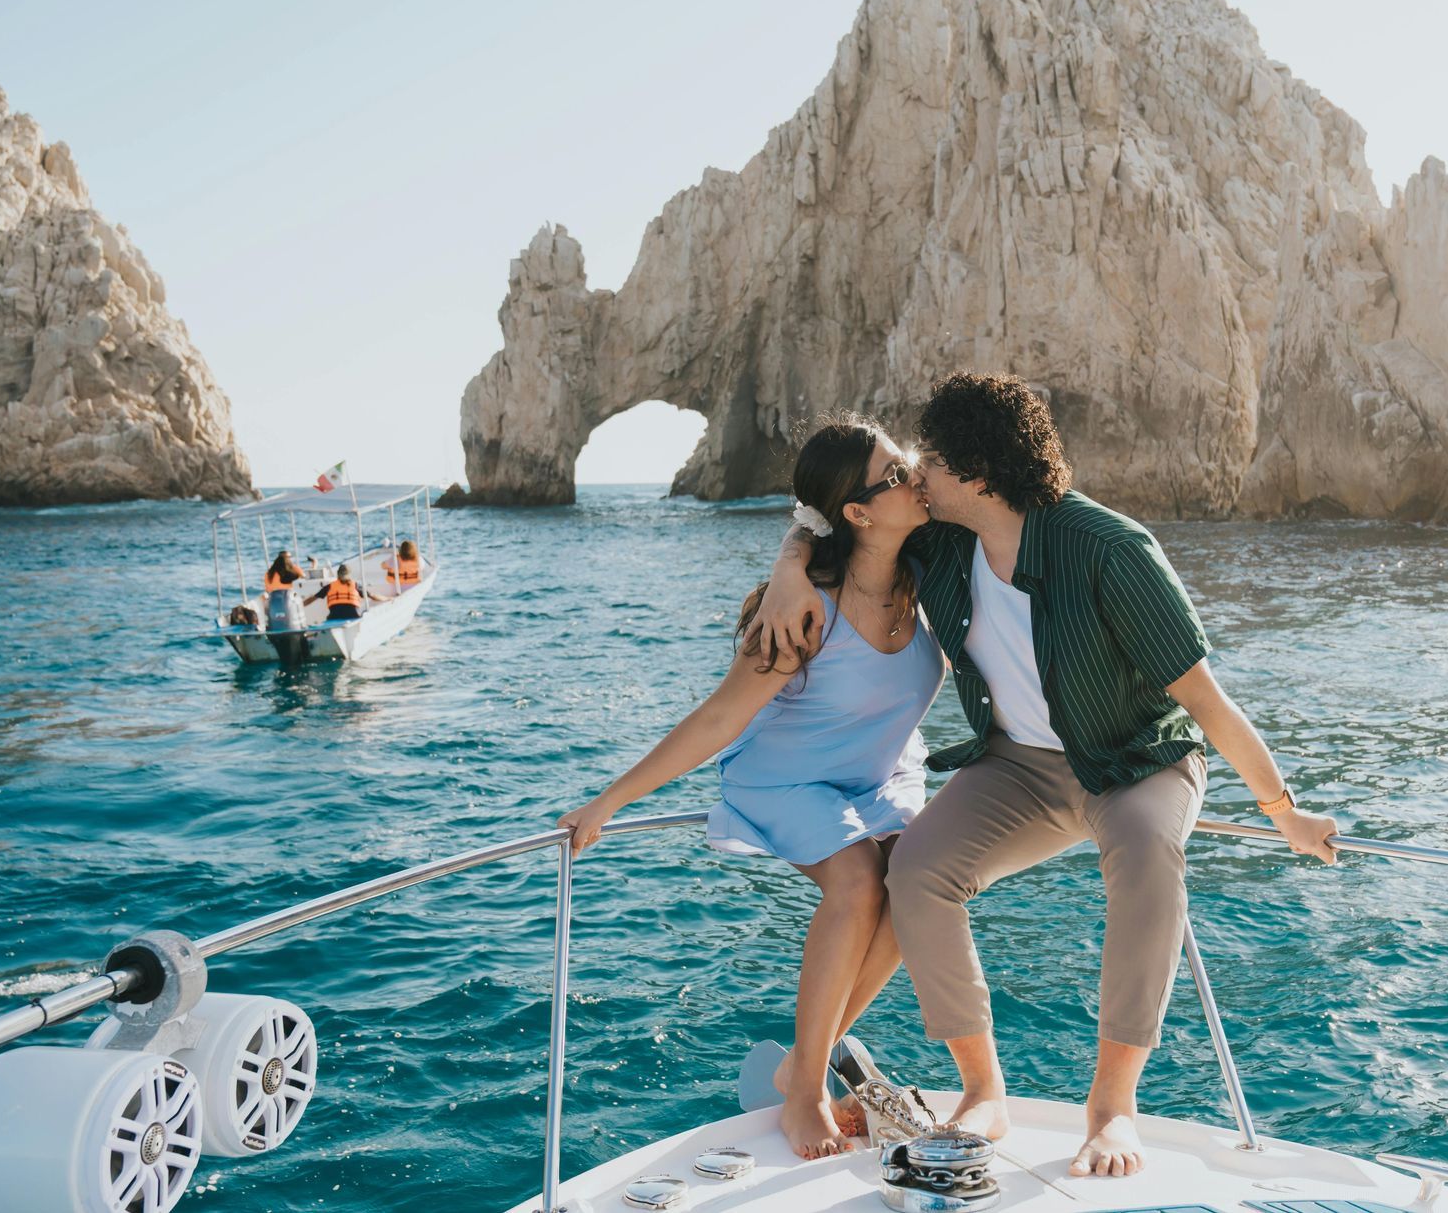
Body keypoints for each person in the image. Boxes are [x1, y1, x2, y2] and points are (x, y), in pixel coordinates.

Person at [750, 373, 1339, 1179]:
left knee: (1143, 855)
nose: (919, 475)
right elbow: (839, 529)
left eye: (936, 463)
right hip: (1021, 764)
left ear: (982, 474)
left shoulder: (1110, 550)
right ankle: (982, 1086)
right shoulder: (944, 538)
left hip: (1136, 760)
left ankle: (1111, 1108)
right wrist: (790, 566)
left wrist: (1283, 810)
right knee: (917, 870)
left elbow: (1206, 701)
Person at [555, 414, 942, 1161]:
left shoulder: (932, 568)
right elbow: (719, 717)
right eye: (896, 472)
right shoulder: (804, 608)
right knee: (859, 884)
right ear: (859, 513)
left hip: (876, 775)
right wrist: (611, 799)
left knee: (919, 886)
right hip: (788, 776)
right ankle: (803, 1095)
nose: (915, 474)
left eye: (908, 459)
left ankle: (805, 1059)